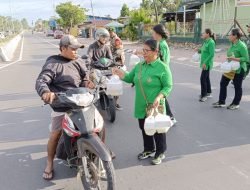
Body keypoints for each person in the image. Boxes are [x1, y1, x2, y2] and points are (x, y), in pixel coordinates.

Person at [35, 35, 95, 180]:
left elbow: (84, 77)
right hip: (62, 105)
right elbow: (42, 80)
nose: (76, 51)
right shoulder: (52, 63)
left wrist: (88, 83)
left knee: (97, 125)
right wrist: (46, 92)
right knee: (55, 134)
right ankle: (49, 163)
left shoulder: (78, 61)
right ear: (63, 48)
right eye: (73, 49)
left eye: (77, 48)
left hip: (81, 101)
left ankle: (101, 150)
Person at [113, 39, 173, 165]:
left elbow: (168, 86)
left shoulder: (162, 67)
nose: (143, 53)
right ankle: (149, 149)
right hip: (141, 104)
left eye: (146, 51)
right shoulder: (139, 66)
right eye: (143, 50)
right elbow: (130, 78)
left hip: (156, 105)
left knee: (157, 129)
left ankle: (160, 152)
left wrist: (159, 97)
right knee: (145, 128)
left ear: (156, 51)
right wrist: (120, 73)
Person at [212, 28, 249, 110]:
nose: (229, 36)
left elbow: (246, 59)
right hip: (230, 67)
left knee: (237, 86)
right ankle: (221, 102)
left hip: (239, 69)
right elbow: (230, 54)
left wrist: (234, 59)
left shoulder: (242, 46)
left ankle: (236, 103)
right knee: (223, 83)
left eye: (230, 34)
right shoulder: (232, 43)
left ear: (235, 36)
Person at [152, 24, 177, 126]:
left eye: (153, 33)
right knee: (160, 96)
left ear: (158, 34)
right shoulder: (161, 43)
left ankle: (170, 117)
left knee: (161, 96)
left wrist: (158, 73)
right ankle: (165, 116)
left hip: (161, 74)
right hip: (161, 72)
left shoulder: (161, 44)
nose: (152, 35)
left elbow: (163, 61)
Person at [108, 27, 125, 111]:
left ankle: (116, 103)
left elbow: (119, 51)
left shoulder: (116, 39)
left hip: (117, 62)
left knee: (116, 82)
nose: (109, 33)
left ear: (113, 32)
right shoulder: (110, 39)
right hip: (112, 62)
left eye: (110, 32)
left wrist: (111, 57)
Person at [197, 28, 216, 102]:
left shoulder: (211, 42)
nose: (202, 34)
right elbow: (203, 49)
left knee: (203, 79)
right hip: (204, 63)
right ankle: (208, 92)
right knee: (206, 78)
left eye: (203, 33)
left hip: (207, 63)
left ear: (208, 34)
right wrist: (199, 50)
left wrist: (205, 63)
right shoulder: (206, 41)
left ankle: (204, 95)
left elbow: (212, 54)